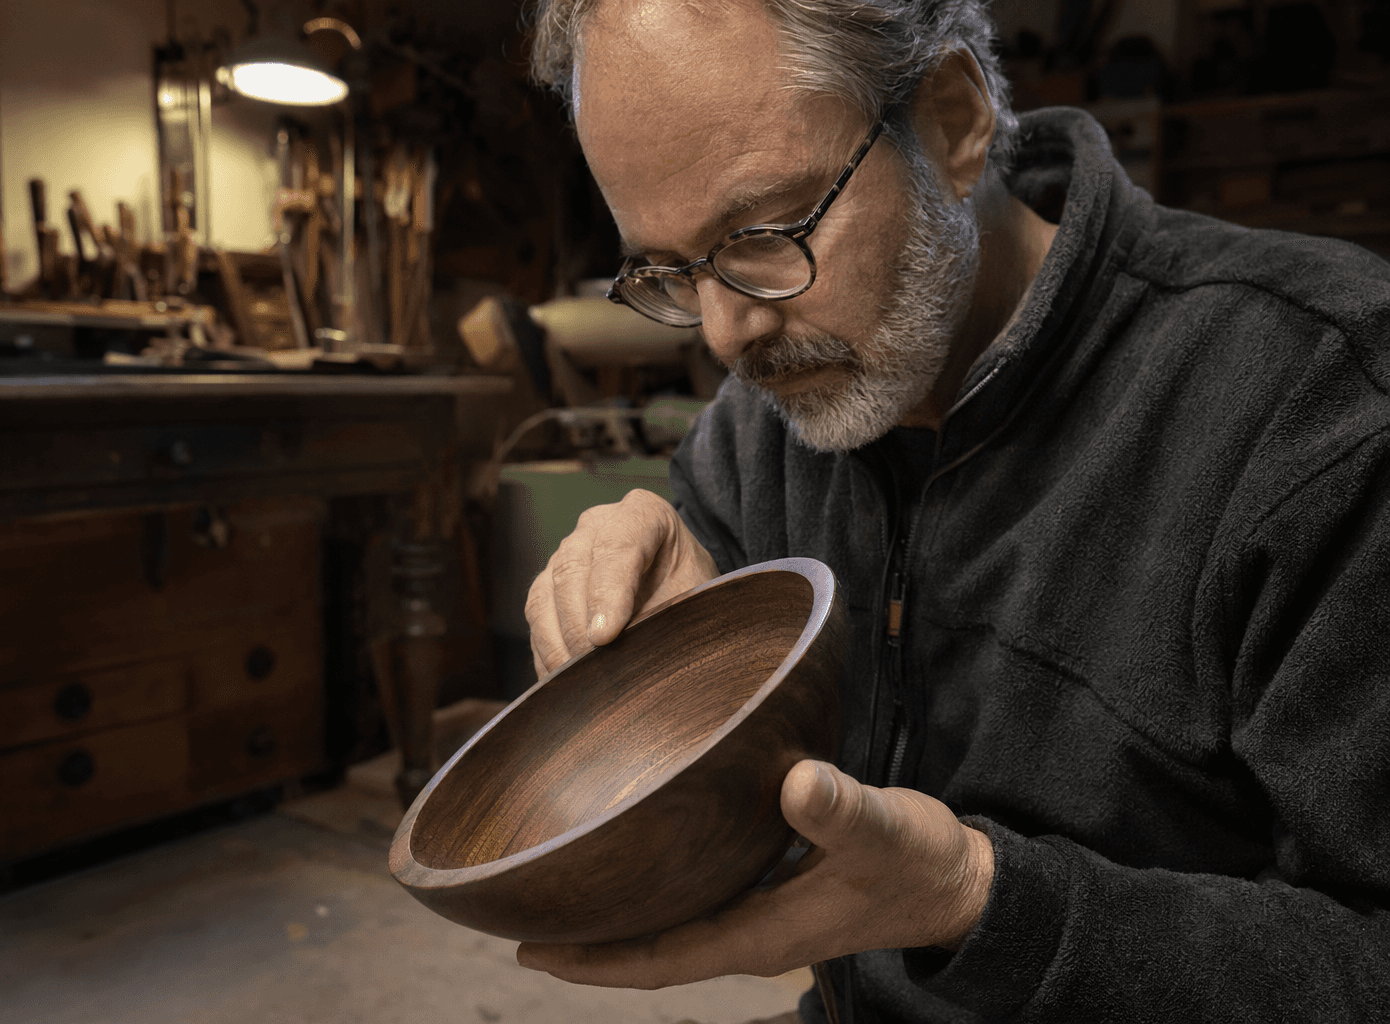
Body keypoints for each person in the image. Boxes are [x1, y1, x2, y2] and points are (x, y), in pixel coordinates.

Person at [515, 0, 1390, 1020]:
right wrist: (677, 675)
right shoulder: (759, 437)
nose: (723, 332)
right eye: (667, 269)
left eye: (762, 232)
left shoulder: (1324, 410)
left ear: (953, 121)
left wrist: (972, 900)